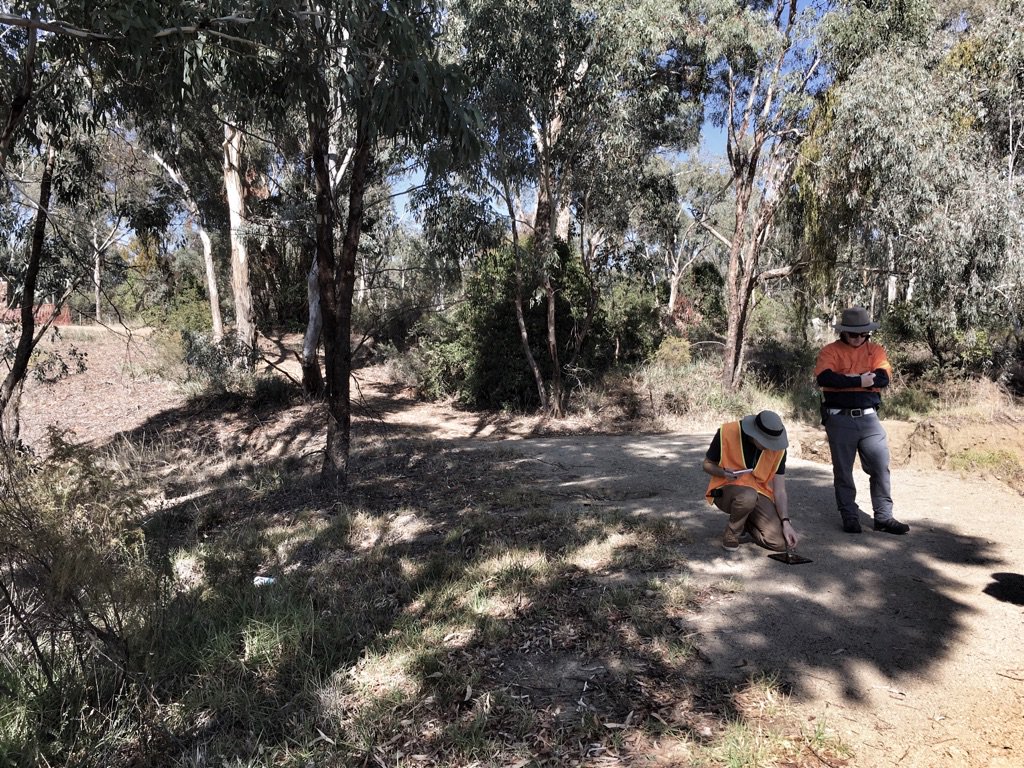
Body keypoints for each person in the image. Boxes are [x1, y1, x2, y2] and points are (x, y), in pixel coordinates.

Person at [814, 306, 909, 535]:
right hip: (839, 420)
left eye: (863, 334)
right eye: (853, 334)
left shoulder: (875, 351)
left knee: (880, 467)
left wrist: (846, 379)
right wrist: (861, 379)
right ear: (843, 332)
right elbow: (825, 378)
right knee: (843, 471)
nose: (858, 338)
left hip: (869, 419)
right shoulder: (830, 351)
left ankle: (884, 517)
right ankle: (849, 516)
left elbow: (883, 378)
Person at [702, 410, 799, 552]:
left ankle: (747, 523)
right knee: (748, 496)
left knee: (780, 543)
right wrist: (723, 473)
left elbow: (780, 491)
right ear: (754, 433)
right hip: (723, 490)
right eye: (766, 442)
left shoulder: (778, 449)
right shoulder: (727, 432)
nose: (770, 447)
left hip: (759, 494)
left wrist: (786, 522)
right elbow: (706, 464)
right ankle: (732, 533)